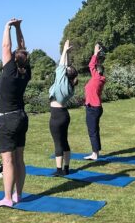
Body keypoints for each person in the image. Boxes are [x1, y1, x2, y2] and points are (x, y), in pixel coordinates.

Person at [0, 18, 31, 207]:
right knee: (19, 159)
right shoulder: (25, 72)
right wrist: (18, 28)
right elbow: (21, 48)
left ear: (14, 59)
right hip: (21, 117)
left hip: (7, 120)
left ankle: (8, 198)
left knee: (7, 161)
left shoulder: (9, 72)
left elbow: (6, 46)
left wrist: (7, 26)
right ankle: (19, 194)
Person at [48, 39, 78, 176]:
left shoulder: (61, 81)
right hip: (65, 115)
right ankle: (66, 168)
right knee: (64, 141)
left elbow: (62, 65)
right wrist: (67, 53)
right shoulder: (70, 86)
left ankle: (59, 170)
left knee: (58, 143)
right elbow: (66, 67)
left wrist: (65, 51)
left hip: (56, 115)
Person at [83, 43, 106, 160]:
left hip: (93, 108)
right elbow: (94, 65)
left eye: (95, 69)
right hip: (95, 107)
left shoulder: (96, 78)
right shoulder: (99, 79)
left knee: (92, 131)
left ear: (97, 71)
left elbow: (91, 64)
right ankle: (96, 152)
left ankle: (95, 154)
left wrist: (95, 53)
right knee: (94, 130)